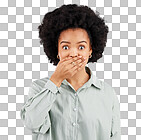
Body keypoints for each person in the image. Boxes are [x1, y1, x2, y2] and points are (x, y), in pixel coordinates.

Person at [20, 4, 121, 140]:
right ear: (57, 51)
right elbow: (32, 124)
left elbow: (114, 136)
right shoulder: (39, 88)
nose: (73, 53)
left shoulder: (107, 93)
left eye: (81, 46)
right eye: (66, 47)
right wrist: (55, 80)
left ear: (90, 50)